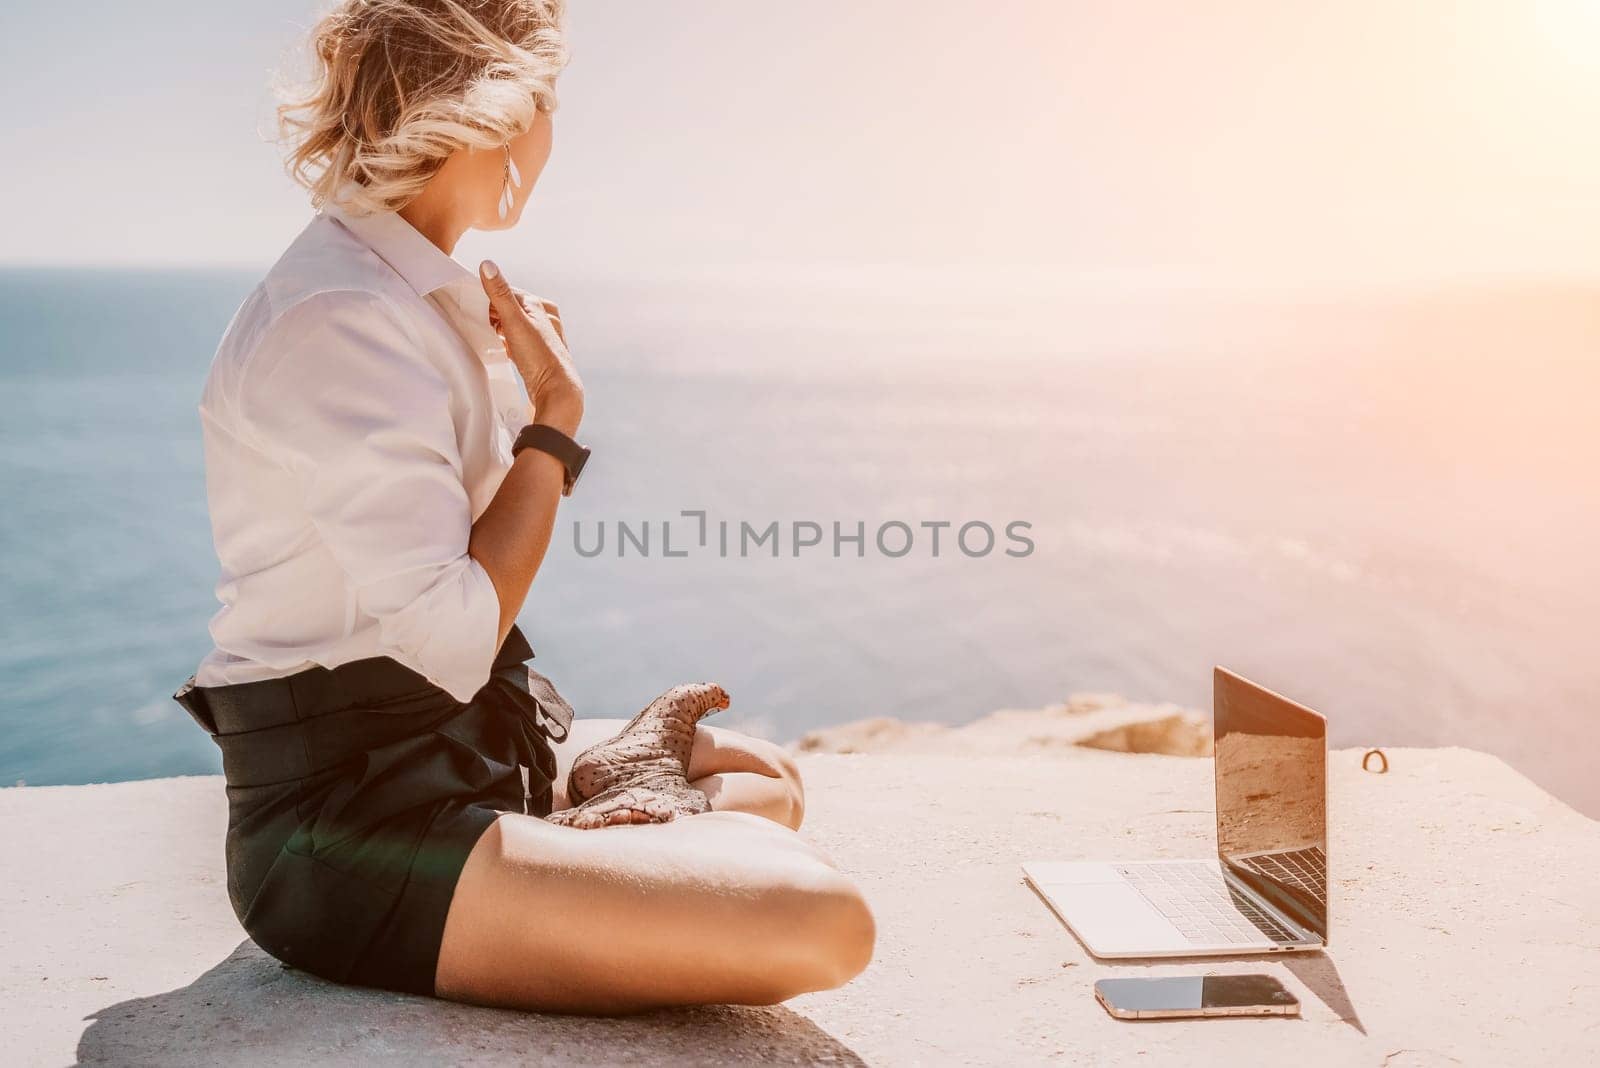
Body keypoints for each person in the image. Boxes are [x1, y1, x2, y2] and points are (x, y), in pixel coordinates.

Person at [174, 0, 874, 1013]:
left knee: (761, 778)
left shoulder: (411, 291)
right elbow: (455, 635)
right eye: (547, 101)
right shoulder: (344, 319)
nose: (550, 135)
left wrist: (531, 414)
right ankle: (603, 827)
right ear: (495, 109)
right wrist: (554, 423)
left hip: (459, 751)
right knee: (819, 923)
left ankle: (600, 816)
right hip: (351, 825)